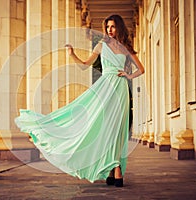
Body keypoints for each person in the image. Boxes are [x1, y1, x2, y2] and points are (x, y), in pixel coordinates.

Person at [15, 14, 144, 187]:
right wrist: (72, 54)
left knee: (118, 129)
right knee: (105, 127)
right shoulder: (101, 45)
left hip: (120, 89)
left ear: (119, 27)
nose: (109, 30)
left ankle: (115, 169)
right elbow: (84, 65)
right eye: (107, 27)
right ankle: (114, 169)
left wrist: (128, 75)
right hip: (105, 88)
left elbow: (141, 69)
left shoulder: (126, 47)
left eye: (112, 27)